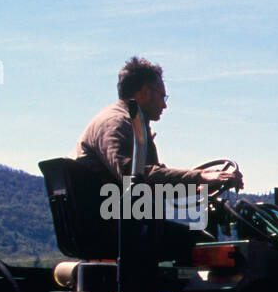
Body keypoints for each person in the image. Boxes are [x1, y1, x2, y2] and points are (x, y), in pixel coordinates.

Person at [71, 56, 241, 191]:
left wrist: (198, 185)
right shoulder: (116, 123)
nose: (165, 104)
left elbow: (148, 183)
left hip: (123, 217)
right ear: (145, 92)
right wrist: (201, 176)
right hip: (115, 225)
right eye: (162, 96)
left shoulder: (131, 123)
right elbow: (134, 177)